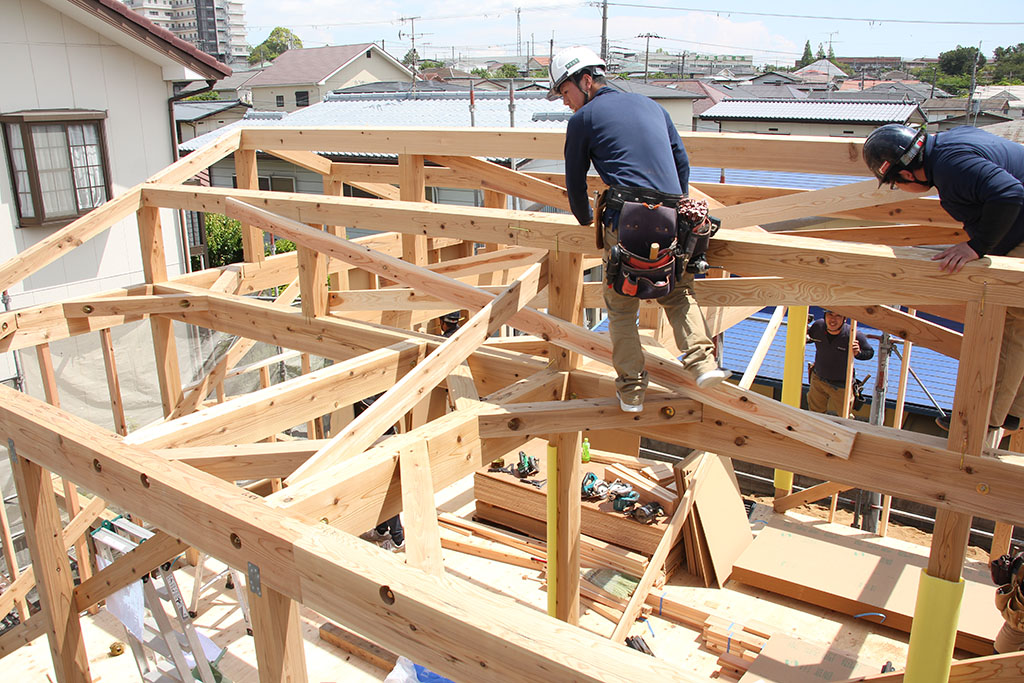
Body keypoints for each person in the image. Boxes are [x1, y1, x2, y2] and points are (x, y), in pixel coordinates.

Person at [551, 46, 728, 413]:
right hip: (669, 217)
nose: (566, 102)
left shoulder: (583, 120)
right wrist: (677, 203)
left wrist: (585, 219)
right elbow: (681, 161)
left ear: (586, 81)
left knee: (620, 305)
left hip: (625, 215)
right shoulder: (653, 106)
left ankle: (631, 389)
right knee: (676, 292)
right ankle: (702, 362)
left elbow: (575, 179)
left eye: (565, 92)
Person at [863, 124, 1024, 432]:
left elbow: (1009, 193)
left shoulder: (953, 166)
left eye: (895, 184)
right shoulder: (947, 147)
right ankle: (1012, 411)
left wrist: (977, 247)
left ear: (908, 174)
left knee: (1011, 317)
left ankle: (985, 418)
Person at [806, 310, 874, 415]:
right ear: (825, 316)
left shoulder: (852, 334)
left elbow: (869, 353)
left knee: (845, 416)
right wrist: (804, 332)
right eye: (830, 314)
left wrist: (858, 353)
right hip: (819, 380)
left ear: (844, 319)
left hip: (841, 385)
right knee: (815, 414)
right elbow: (810, 338)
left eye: (838, 315)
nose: (833, 319)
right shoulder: (818, 326)